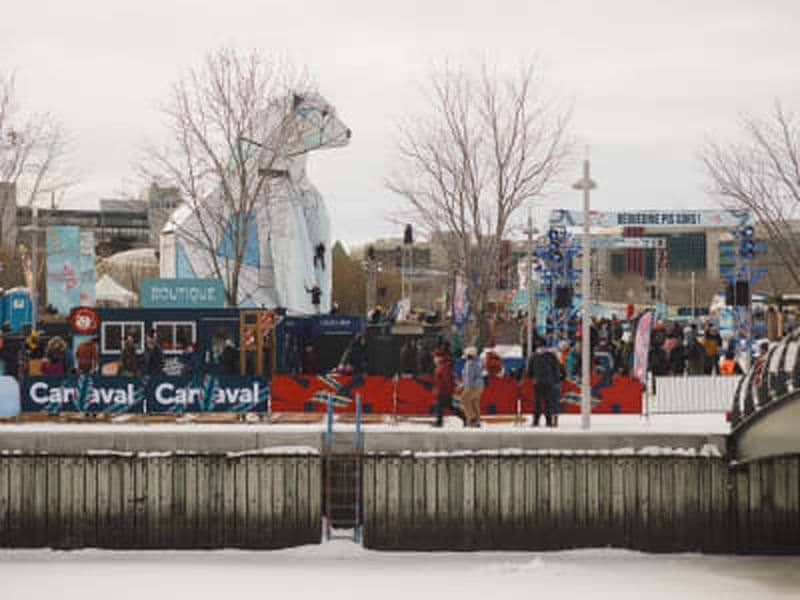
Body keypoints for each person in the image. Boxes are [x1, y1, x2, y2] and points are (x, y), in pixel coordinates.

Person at [432, 350, 467, 427]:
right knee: (449, 407)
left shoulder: (443, 367)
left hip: (443, 391)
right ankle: (464, 418)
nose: (434, 359)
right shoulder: (442, 366)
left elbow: (446, 380)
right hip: (442, 390)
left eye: (435, 357)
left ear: (439, 358)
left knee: (440, 407)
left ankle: (439, 422)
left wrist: (447, 390)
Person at [528, 345, 561, 427]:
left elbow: (529, 370)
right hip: (549, 382)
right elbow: (556, 369)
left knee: (537, 401)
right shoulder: (552, 356)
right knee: (548, 401)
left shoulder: (534, 356)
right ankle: (548, 421)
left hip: (537, 382)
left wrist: (533, 378)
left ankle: (536, 421)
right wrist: (556, 380)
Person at [460, 346, 483, 427]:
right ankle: (477, 420)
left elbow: (469, 376)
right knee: (474, 402)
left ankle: (472, 419)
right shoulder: (478, 362)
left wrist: (465, 386)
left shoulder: (469, 363)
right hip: (479, 386)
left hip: (472, 385)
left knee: (464, 400)